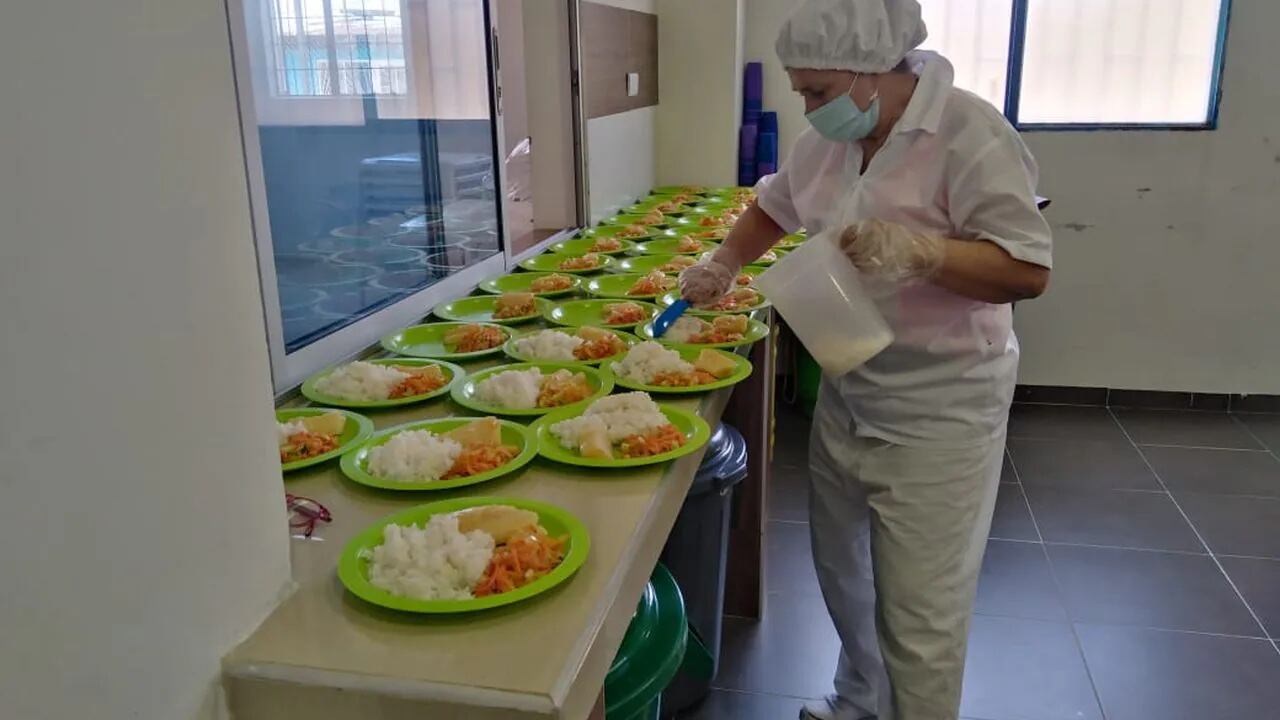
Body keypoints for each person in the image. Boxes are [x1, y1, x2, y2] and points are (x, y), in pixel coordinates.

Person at [679, 0, 1052, 718]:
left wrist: (928, 253)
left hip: (943, 403)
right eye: (802, 90)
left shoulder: (969, 134)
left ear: (875, 72)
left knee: (920, 608)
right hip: (851, 384)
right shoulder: (829, 140)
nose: (808, 107)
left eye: (818, 91)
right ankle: (861, 701)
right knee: (844, 572)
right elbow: (775, 205)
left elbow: (1027, 271)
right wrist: (723, 261)